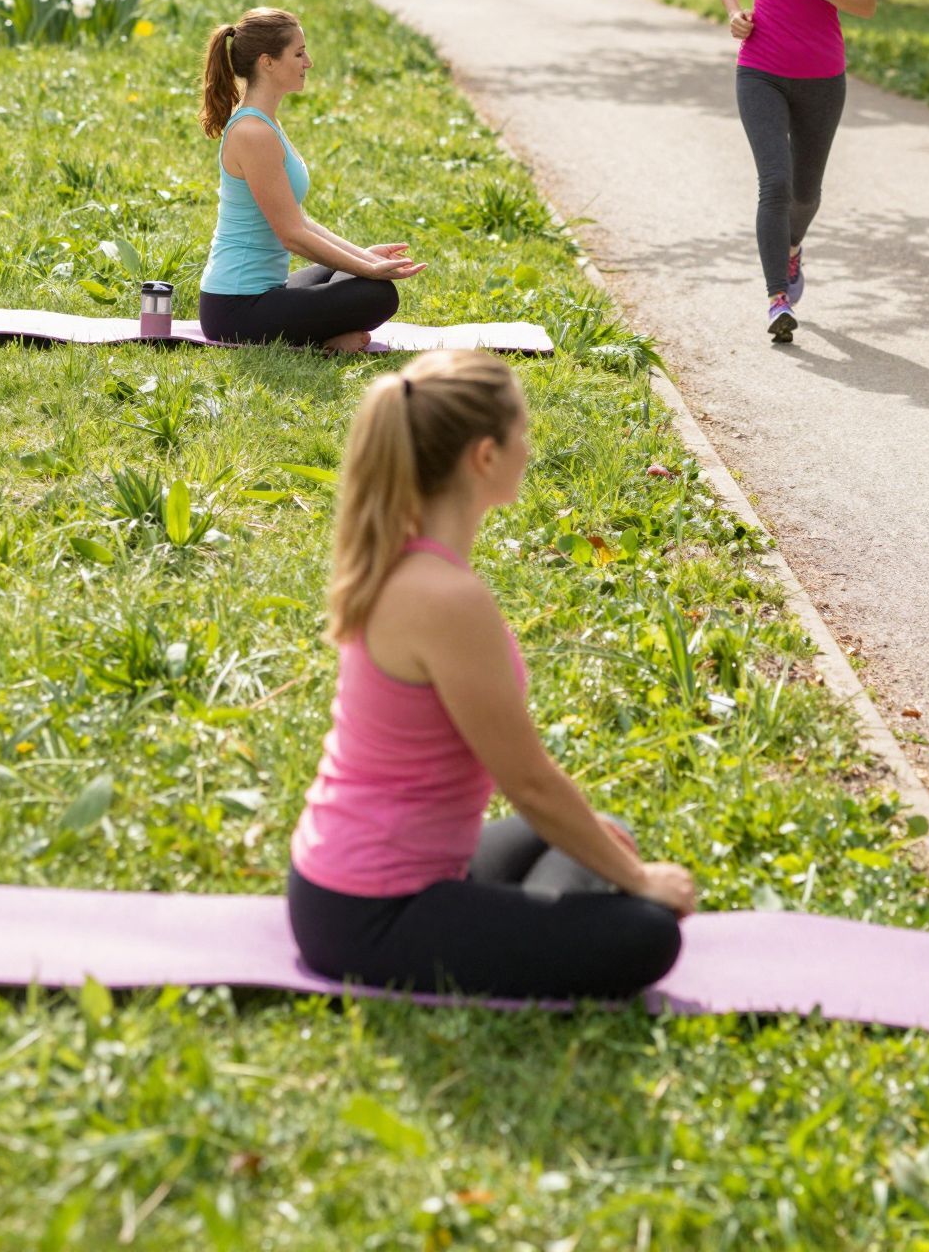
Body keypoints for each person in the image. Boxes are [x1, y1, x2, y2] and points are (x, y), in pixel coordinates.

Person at [287, 352, 693, 999]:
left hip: (361, 879)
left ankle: (528, 918)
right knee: (647, 929)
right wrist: (639, 882)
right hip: (370, 914)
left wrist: (608, 856)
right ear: (484, 456)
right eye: (522, 433)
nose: (529, 449)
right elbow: (528, 783)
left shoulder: (406, 564)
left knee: (604, 831)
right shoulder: (446, 599)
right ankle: (549, 920)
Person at [713, 0, 877, 341]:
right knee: (775, 183)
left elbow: (868, 3)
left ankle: (791, 247)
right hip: (759, 69)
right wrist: (735, 13)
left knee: (806, 194)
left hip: (822, 77)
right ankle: (776, 298)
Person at [197, 7, 423, 350]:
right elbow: (292, 235)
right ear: (267, 62)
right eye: (299, 53)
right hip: (235, 309)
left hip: (266, 294)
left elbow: (300, 220)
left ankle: (322, 335)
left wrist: (365, 258)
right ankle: (324, 344)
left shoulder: (265, 123)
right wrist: (370, 269)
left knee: (354, 275)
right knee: (376, 293)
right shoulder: (252, 132)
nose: (309, 62)